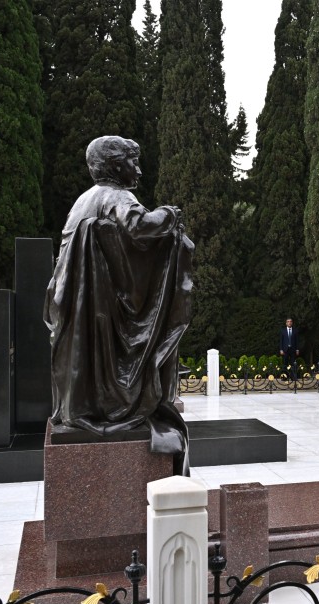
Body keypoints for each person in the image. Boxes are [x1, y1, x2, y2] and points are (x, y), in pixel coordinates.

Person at [44, 136, 193, 475]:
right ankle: (114, 406)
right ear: (115, 166)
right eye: (132, 162)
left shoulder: (84, 200)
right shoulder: (115, 196)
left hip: (74, 305)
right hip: (98, 307)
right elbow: (140, 227)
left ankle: (84, 405)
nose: (138, 170)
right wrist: (169, 215)